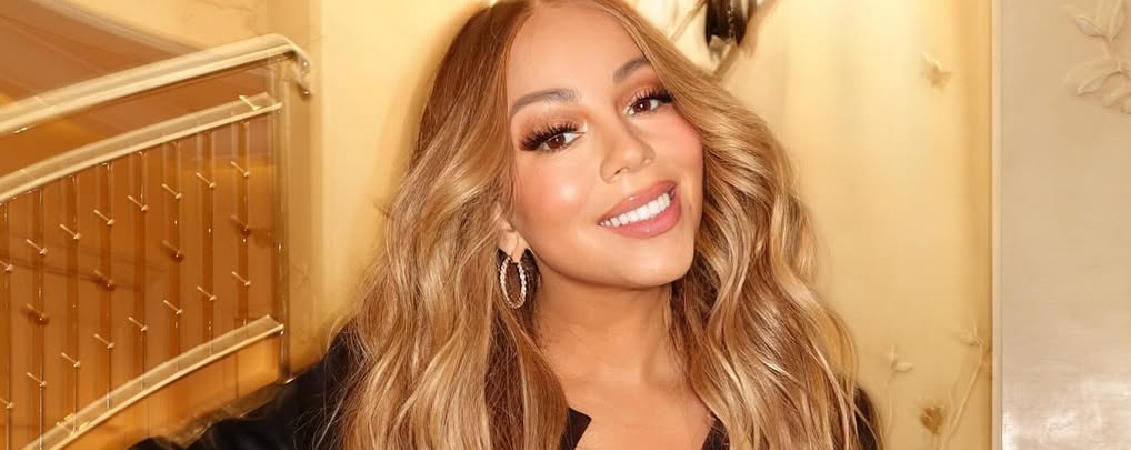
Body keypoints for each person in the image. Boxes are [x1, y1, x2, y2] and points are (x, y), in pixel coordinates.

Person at [135, 0, 879, 449]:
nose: (630, 151)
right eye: (555, 134)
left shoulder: (815, 411)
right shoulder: (398, 395)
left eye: (647, 100)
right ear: (497, 213)